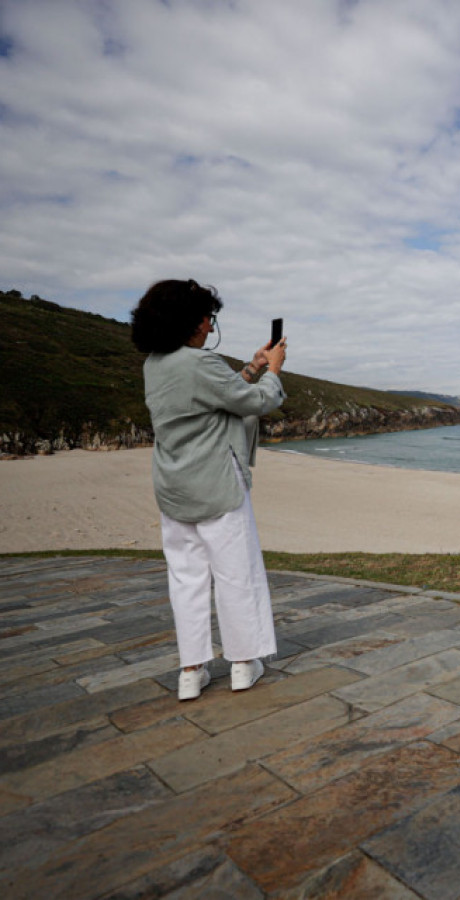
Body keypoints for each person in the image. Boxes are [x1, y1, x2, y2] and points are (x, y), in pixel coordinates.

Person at [130, 279, 287, 700]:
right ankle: (242, 663)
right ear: (195, 321)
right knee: (237, 574)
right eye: (209, 317)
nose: (210, 325)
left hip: (174, 488)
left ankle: (191, 670)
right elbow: (255, 402)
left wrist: (251, 369)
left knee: (186, 579)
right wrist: (273, 372)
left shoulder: (155, 365)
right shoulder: (201, 363)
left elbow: (216, 394)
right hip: (217, 485)